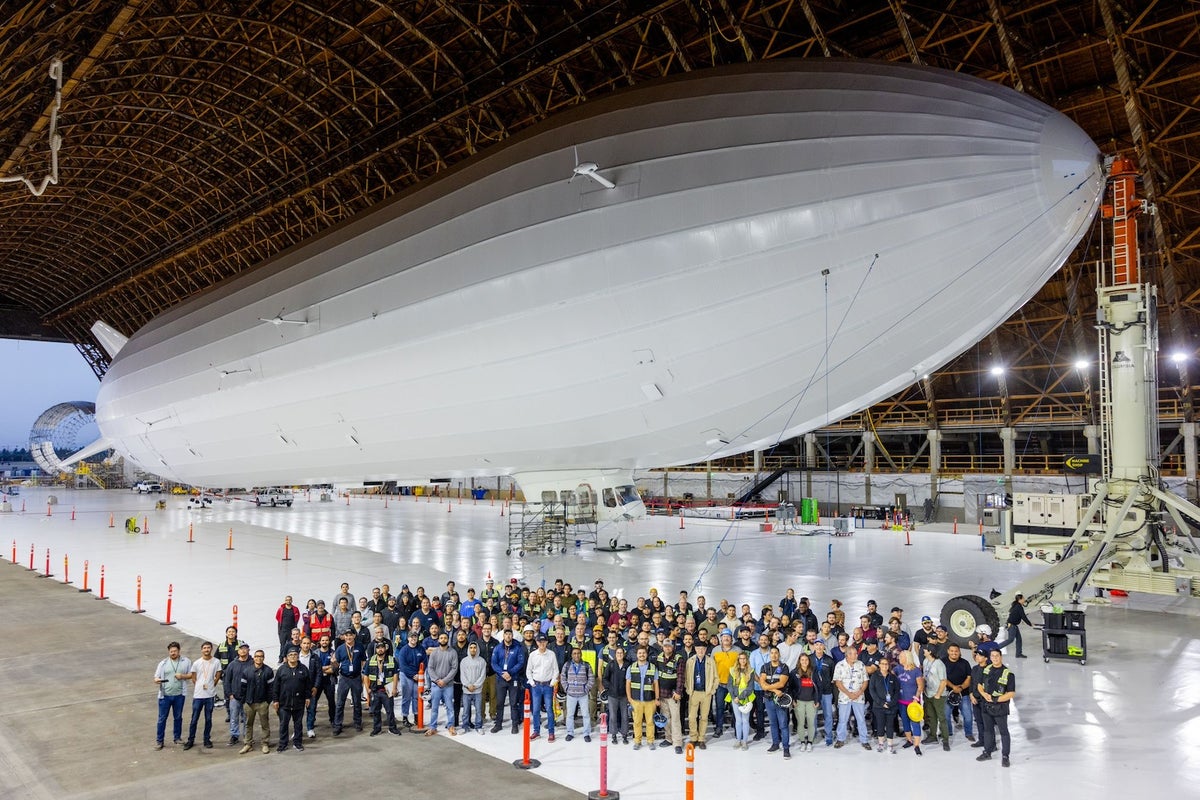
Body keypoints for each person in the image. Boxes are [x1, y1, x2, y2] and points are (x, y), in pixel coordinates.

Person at [976, 645, 1016, 767]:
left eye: (997, 656)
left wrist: (996, 699)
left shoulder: (1008, 674)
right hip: (986, 706)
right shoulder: (986, 670)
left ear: (1001, 657)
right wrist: (984, 694)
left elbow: (1011, 693)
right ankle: (987, 752)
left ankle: (1005, 756)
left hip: (1000, 708)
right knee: (988, 730)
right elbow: (979, 685)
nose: (994, 658)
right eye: (992, 656)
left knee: (1003, 732)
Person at [183, 641, 222, 750]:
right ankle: (191, 740)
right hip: (198, 695)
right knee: (194, 719)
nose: (206, 650)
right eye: (204, 648)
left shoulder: (216, 662)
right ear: (201, 650)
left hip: (210, 695)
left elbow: (218, 674)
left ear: (211, 649)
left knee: (208, 719)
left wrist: (212, 684)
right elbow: (194, 677)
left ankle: (206, 739)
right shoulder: (196, 663)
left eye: (208, 648)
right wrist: (200, 686)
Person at [153, 642, 192, 750]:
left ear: (179, 651)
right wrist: (157, 680)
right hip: (165, 696)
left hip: (179, 695)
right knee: (162, 719)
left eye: (175, 651)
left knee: (178, 717)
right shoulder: (163, 663)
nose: (173, 653)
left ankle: (177, 737)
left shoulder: (186, 662)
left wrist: (182, 676)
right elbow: (156, 677)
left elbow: (191, 675)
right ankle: (159, 740)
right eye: (171, 651)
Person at [237, 650, 275, 754]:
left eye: (261, 656)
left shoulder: (268, 671)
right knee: (248, 724)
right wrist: (244, 701)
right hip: (249, 703)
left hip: (262, 703)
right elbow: (243, 687)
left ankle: (265, 743)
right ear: (253, 657)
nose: (259, 658)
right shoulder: (247, 671)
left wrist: (268, 701)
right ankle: (248, 744)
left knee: (265, 724)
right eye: (257, 656)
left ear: (264, 658)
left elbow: (271, 688)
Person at [273, 647, 311, 751]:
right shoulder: (282, 669)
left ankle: (297, 743)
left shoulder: (303, 669)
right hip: (284, 703)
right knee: (284, 724)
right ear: (286, 657)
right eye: (290, 655)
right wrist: (275, 700)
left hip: (299, 702)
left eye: (295, 655)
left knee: (298, 724)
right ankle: (283, 744)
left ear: (298, 656)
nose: (293, 657)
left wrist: (308, 697)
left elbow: (308, 685)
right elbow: (276, 685)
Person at [832, 644, 870, 749]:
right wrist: (849, 694)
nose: (856, 656)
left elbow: (865, 681)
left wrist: (859, 692)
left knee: (861, 719)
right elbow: (838, 682)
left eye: (856, 653)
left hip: (859, 697)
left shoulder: (861, 665)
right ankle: (840, 739)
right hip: (844, 698)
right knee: (843, 719)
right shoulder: (839, 665)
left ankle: (864, 740)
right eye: (853, 654)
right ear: (847, 655)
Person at [490, 627, 526, 733]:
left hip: (513, 678)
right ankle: (498, 724)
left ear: (512, 636)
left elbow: (520, 662)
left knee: (514, 703)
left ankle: (514, 725)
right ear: (503, 636)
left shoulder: (518, 648)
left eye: (510, 634)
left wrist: (510, 672)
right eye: (506, 634)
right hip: (501, 679)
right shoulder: (497, 648)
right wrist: (502, 673)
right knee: (500, 703)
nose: (508, 636)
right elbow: (494, 663)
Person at [363, 640, 401, 736]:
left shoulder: (392, 660)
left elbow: (396, 674)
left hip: (387, 690)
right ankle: (377, 728)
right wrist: (367, 689)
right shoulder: (370, 660)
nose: (380, 649)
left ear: (385, 648)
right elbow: (365, 675)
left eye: (382, 647)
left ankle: (392, 728)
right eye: (378, 648)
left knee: (390, 711)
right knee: (376, 711)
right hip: (375, 690)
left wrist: (394, 688)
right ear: (376, 649)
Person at [758, 646, 791, 759]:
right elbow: (762, 684)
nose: (774, 655)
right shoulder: (765, 667)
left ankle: (786, 748)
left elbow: (781, 683)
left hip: (781, 700)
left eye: (776, 653)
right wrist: (774, 690)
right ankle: (775, 744)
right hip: (769, 699)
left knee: (783, 724)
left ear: (779, 655)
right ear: (769, 655)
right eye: (771, 653)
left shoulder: (784, 667)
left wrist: (769, 687)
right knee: (773, 724)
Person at [525, 633, 558, 741]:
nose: (542, 644)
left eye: (543, 642)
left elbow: (555, 670)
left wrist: (552, 682)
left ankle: (551, 732)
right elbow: (528, 670)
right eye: (539, 642)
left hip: (548, 686)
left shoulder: (551, 654)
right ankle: (536, 731)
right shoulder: (533, 655)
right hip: (536, 686)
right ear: (537, 642)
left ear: (547, 642)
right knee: (535, 710)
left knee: (549, 709)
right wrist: (531, 682)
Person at [426, 631, 460, 735]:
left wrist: (444, 681)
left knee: (450, 707)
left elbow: (454, 668)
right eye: (441, 638)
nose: (443, 640)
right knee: (434, 707)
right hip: (436, 685)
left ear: (447, 640)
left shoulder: (453, 652)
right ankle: (433, 727)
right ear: (438, 640)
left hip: (448, 685)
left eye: (445, 638)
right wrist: (437, 680)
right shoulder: (434, 653)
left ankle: (451, 726)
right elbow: (430, 668)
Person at [685, 639, 717, 749]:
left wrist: (712, 690)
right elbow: (686, 677)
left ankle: (702, 738)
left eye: (703, 649)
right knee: (692, 717)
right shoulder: (690, 661)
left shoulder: (710, 661)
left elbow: (716, 678)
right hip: (694, 692)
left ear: (706, 650)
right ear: (695, 649)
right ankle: (693, 738)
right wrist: (689, 690)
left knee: (704, 717)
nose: (700, 651)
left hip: (706, 693)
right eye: (698, 649)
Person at [332, 629, 365, 735]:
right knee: (340, 703)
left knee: (357, 702)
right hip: (344, 678)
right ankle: (338, 725)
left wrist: (363, 674)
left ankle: (358, 722)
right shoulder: (340, 649)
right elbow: (336, 664)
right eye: (347, 636)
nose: (349, 637)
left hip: (356, 677)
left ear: (354, 636)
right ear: (344, 637)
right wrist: (334, 662)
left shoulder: (359, 647)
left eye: (350, 635)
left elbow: (363, 660)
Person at [626, 645, 659, 750]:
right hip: (636, 700)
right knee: (637, 722)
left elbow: (656, 684)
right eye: (639, 653)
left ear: (647, 654)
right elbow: (628, 684)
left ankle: (650, 741)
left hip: (650, 700)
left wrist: (657, 698)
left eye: (643, 653)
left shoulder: (653, 667)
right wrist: (630, 699)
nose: (642, 655)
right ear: (636, 655)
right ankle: (637, 741)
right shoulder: (631, 667)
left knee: (650, 722)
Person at [653, 637, 683, 752]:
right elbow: (656, 677)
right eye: (665, 646)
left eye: (669, 646)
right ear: (662, 647)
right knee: (666, 718)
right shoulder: (658, 658)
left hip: (673, 694)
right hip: (661, 694)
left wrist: (678, 691)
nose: (667, 648)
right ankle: (668, 738)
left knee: (675, 719)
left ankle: (677, 743)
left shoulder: (678, 659)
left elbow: (681, 676)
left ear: (673, 647)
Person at [560, 646, 595, 742]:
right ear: (571, 655)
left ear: (581, 654)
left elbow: (591, 678)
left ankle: (586, 733)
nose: (576, 655)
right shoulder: (567, 665)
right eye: (574, 653)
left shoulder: (586, 665)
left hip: (583, 695)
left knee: (586, 715)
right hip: (571, 695)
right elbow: (562, 677)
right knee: (570, 715)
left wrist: (586, 689)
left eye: (578, 653)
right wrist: (567, 688)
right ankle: (570, 733)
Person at [867, 655, 901, 753]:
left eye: (886, 664)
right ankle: (881, 744)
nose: (885, 666)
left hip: (891, 707)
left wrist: (890, 704)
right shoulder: (874, 676)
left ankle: (890, 745)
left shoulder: (893, 677)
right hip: (878, 707)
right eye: (883, 664)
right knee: (880, 725)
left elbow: (897, 691)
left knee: (890, 726)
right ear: (879, 665)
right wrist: (882, 703)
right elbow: (872, 691)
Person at [942, 643, 975, 742]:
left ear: (959, 652)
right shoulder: (942, 662)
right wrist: (953, 687)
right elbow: (942, 677)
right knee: (945, 715)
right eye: (951, 651)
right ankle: (948, 732)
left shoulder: (965, 663)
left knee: (968, 715)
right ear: (948, 651)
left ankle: (969, 733)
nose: (954, 653)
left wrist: (960, 688)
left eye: (956, 651)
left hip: (963, 694)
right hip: (947, 693)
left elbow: (969, 678)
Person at [921, 641, 950, 750]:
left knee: (941, 717)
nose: (923, 651)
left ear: (930, 651)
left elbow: (943, 681)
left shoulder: (939, 664)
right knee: (931, 717)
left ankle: (945, 740)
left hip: (939, 695)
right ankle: (933, 736)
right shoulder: (925, 661)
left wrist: (938, 694)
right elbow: (925, 676)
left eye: (925, 649)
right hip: (928, 694)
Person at [895, 649, 925, 755]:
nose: (899, 658)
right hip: (901, 700)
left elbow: (920, 686)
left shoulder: (916, 670)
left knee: (915, 723)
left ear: (907, 658)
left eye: (901, 657)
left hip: (913, 702)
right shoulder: (898, 668)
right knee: (905, 721)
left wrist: (916, 699)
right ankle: (909, 740)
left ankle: (917, 745)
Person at [223, 642, 252, 746]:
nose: (243, 651)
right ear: (238, 651)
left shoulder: (252, 663)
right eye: (241, 649)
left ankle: (246, 736)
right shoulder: (232, 664)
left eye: (245, 649)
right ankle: (234, 735)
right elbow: (227, 680)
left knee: (246, 718)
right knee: (234, 717)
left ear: (248, 650)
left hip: (248, 697)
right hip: (234, 696)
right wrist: (229, 694)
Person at [725, 651, 756, 751]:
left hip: (746, 699)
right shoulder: (732, 670)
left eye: (744, 658)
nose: (742, 660)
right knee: (738, 720)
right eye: (740, 658)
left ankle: (744, 741)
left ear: (746, 660)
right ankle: (738, 740)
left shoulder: (751, 671)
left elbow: (750, 687)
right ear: (738, 660)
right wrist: (734, 697)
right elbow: (729, 685)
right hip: (735, 698)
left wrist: (741, 697)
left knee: (745, 720)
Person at [810, 639, 836, 747]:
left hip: (826, 691)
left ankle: (829, 736)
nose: (819, 647)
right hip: (813, 692)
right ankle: (813, 734)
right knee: (813, 715)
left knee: (828, 715)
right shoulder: (809, 659)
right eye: (817, 645)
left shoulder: (829, 660)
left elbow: (833, 677)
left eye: (821, 645)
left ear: (824, 647)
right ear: (814, 647)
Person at [396, 631, 426, 726]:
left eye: (415, 637)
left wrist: (420, 674)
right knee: (406, 697)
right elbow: (403, 666)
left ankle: (417, 716)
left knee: (416, 697)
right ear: (408, 638)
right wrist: (414, 675)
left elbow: (425, 661)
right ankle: (405, 717)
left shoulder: (421, 649)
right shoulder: (404, 650)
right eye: (411, 637)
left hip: (418, 675)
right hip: (406, 675)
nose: (413, 639)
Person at [794, 652, 820, 751]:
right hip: (799, 701)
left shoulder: (814, 671)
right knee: (800, 723)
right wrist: (793, 700)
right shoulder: (794, 672)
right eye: (802, 660)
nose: (804, 662)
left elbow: (819, 687)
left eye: (806, 660)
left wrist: (817, 699)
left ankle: (809, 742)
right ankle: (802, 742)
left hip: (811, 701)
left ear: (809, 661)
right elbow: (791, 688)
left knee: (811, 723)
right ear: (799, 661)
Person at [459, 641, 487, 733]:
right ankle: (465, 726)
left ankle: (478, 726)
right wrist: (468, 685)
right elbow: (462, 675)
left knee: (478, 710)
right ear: (468, 649)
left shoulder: (482, 661)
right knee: (466, 711)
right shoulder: (464, 661)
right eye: (471, 648)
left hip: (477, 690)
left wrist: (475, 685)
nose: (473, 649)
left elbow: (482, 675)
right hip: (466, 690)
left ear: (477, 649)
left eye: (475, 647)